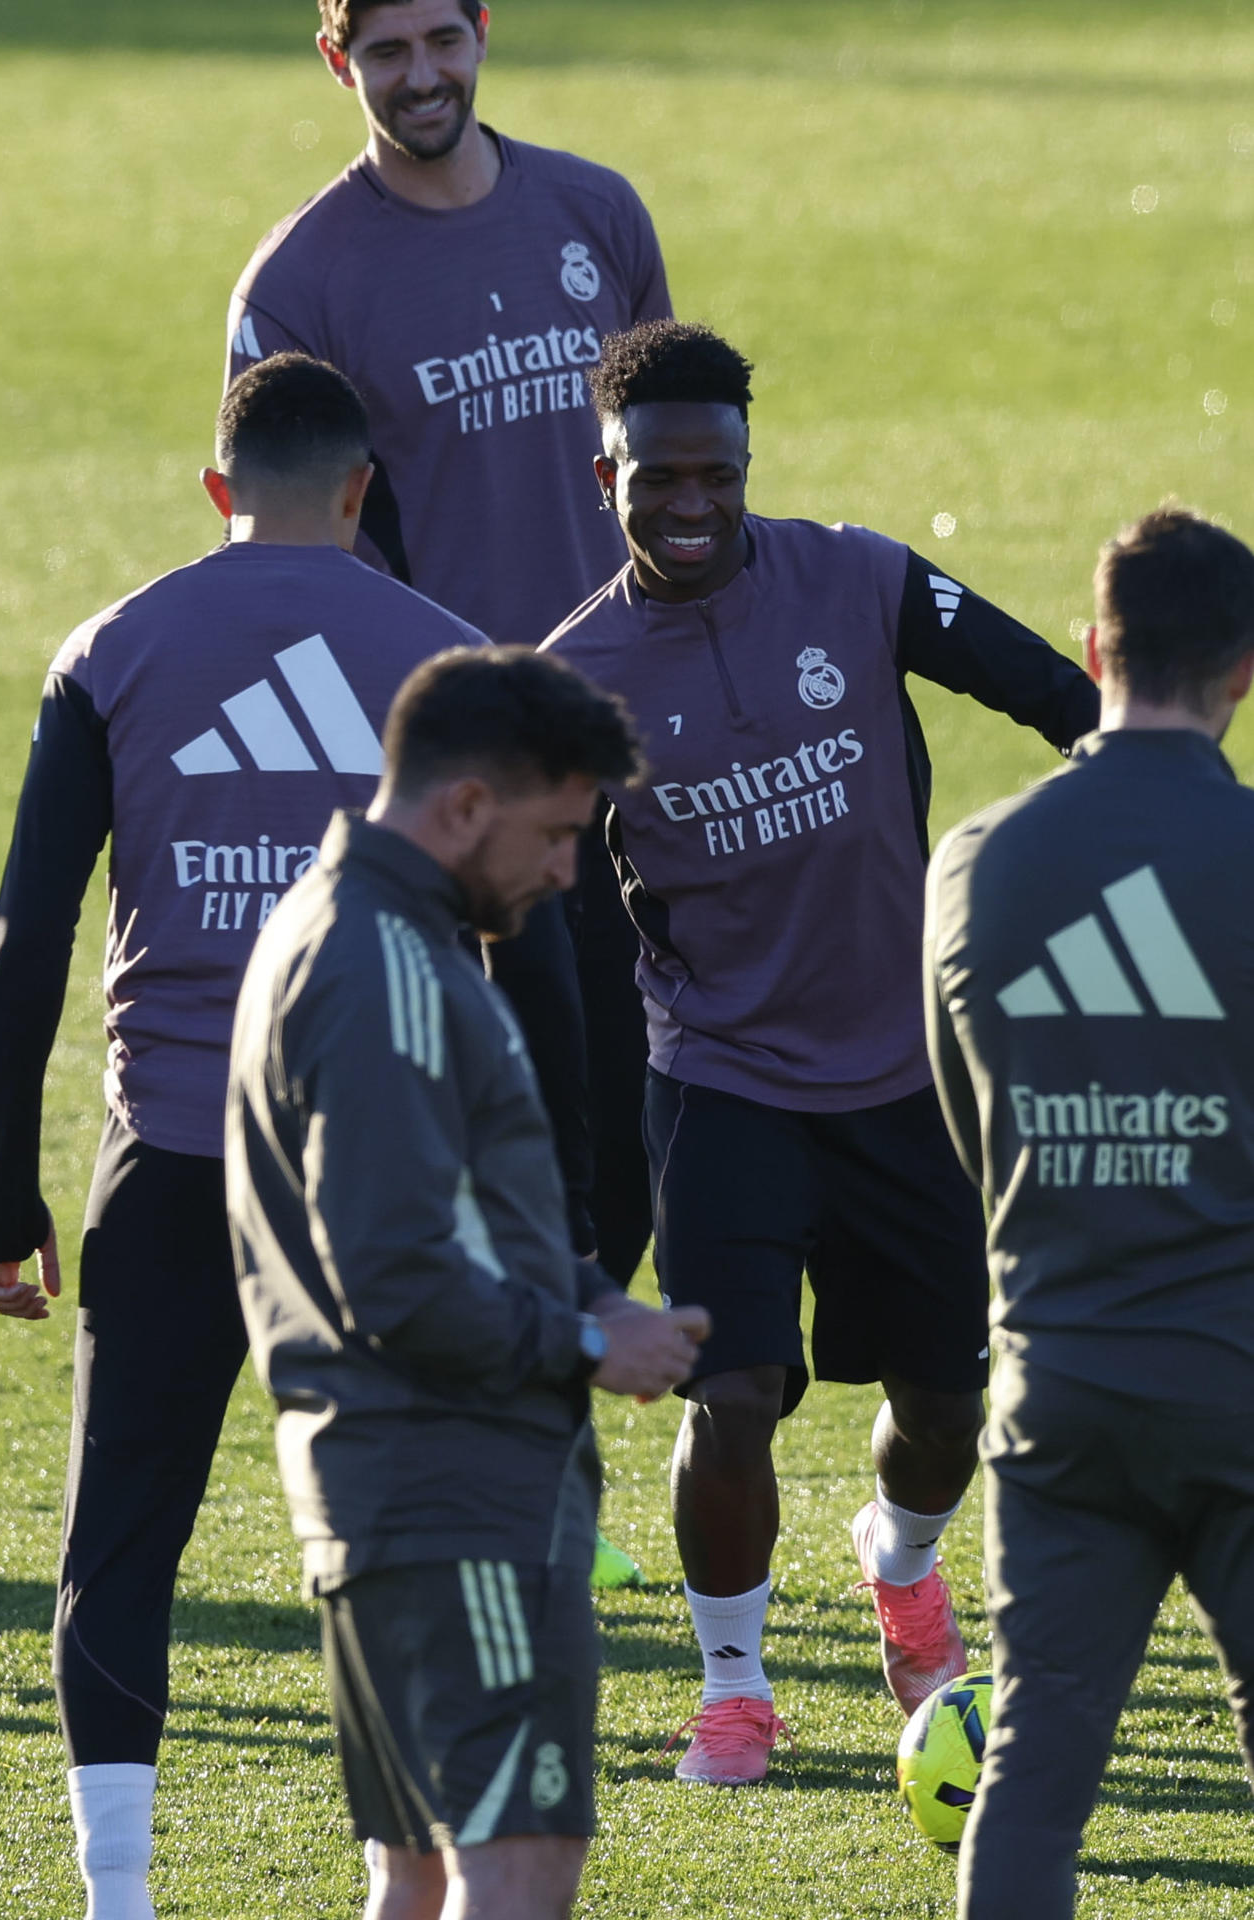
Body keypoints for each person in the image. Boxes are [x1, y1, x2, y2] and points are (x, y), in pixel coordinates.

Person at [0, 353, 500, 1920]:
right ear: (360, 490)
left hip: (174, 1161)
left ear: (219, 493)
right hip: (380, 1174)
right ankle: (398, 1890)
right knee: (393, 1548)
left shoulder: (115, 648)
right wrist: (575, 1194)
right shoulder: (453, 662)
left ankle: (116, 1901)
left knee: (120, 1550)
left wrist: (3, 1185)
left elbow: (25, 935)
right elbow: (541, 945)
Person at [541, 318, 1102, 1784]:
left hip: (906, 1073)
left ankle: (902, 1565)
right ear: (604, 473)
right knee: (726, 1400)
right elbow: (507, 891)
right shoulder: (571, 676)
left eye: (714, 474)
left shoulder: (856, 574)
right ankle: (736, 1689)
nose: (690, 505)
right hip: (718, 1081)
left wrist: (1152, 791)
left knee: (946, 1406)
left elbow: (1058, 696)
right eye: (656, 477)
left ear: (746, 462)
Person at [225, 5, 673, 1528]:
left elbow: (670, 463)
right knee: (502, 1128)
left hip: (619, 762)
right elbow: (298, 556)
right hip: (463, 812)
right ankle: (548, 1477)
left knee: (631, 1117)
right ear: (333, 57)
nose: (422, 77)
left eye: (443, 38)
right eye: (386, 50)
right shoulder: (300, 282)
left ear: (485, 33)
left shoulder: (597, 213)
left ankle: (591, 1410)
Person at [226, 647, 710, 1920]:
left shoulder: (362, 934)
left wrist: (593, 1294)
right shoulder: (383, 968)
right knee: (515, 1869)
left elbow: (451, 1206)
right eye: (556, 836)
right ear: (466, 808)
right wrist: (583, 1345)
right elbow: (394, 1269)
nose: (566, 872)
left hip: (394, 1492)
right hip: (457, 1497)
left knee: (418, 1876)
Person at [924, 506, 1254, 1919]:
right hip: (1240, 1382)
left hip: (1057, 1390)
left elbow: (969, 1117)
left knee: (1037, 1782)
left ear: (1088, 647)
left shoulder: (977, 862)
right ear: (1247, 667)